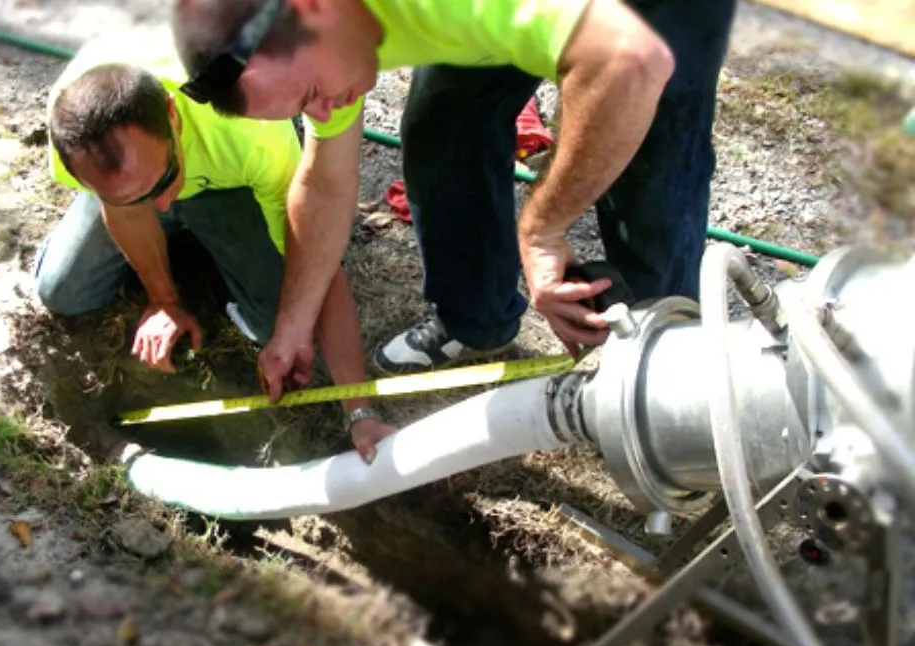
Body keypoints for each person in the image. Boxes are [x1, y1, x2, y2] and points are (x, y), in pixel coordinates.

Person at [170, 0, 736, 399]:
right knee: (444, 129)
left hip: (653, 17)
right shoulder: (319, 33)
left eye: (313, 95)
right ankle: (476, 316)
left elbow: (630, 61)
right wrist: (293, 325)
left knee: (655, 173)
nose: (322, 113)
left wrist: (541, 228)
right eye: (303, 107)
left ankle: (667, 372)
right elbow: (323, 183)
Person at [33, 25, 395, 462]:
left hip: (230, 190)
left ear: (172, 114)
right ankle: (182, 255)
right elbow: (129, 203)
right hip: (138, 182)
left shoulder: (249, 131)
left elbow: (321, 259)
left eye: (164, 180)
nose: (163, 205)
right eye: (139, 197)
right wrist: (163, 301)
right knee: (62, 291)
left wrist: (359, 409)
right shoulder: (76, 138)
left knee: (286, 332)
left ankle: (210, 256)